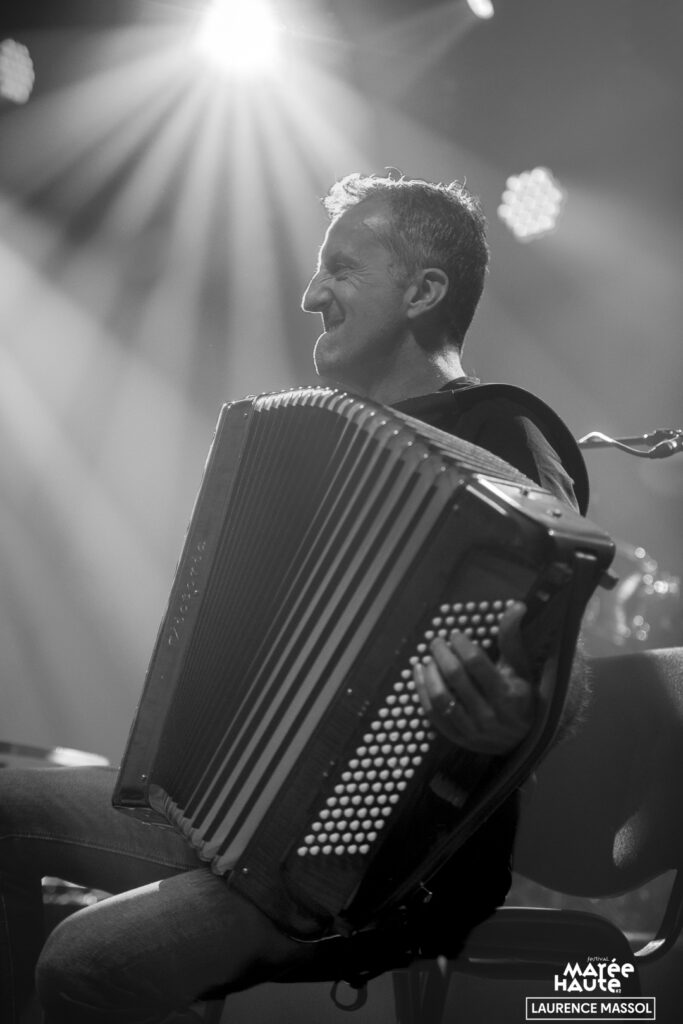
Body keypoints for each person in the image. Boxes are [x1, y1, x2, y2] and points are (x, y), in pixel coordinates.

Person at [0, 173, 587, 1023]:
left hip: (382, 867)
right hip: (226, 820)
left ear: (423, 292)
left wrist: (516, 713)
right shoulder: (311, 440)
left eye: (341, 269)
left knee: (82, 959)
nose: (312, 294)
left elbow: (564, 663)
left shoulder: (502, 432)